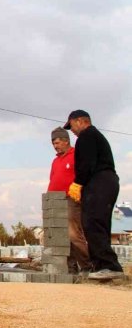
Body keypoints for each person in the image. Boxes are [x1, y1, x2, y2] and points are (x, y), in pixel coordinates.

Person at [63, 110, 124, 280]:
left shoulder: (87, 136)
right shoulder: (94, 136)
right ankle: (103, 266)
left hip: (100, 182)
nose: (72, 130)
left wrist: (78, 183)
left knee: (93, 222)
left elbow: (87, 163)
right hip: (105, 182)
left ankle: (109, 266)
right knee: (98, 223)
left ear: (81, 121)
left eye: (72, 125)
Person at [46, 127, 92, 274]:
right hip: (55, 202)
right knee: (61, 237)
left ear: (66, 141)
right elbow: (52, 180)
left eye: (57, 142)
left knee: (73, 234)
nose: (55, 145)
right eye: (53, 143)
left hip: (71, 199)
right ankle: (71, 269)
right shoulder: (55, 161)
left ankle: (87, 266)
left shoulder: (76, 155)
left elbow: (84, 175)